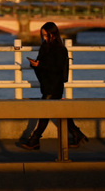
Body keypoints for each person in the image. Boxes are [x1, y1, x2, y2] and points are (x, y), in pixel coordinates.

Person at [18, 22, 87, 150]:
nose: (44, 38)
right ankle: (77, 134)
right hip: (46, 84)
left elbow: (57, 69)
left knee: (45, 113)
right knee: (60, 112)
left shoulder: (60, 49)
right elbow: (43, 64)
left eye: (46, 35)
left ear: (53, 34)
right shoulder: (44, 47)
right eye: (42, 35)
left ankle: (34, 140)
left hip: (55, 85)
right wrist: (35, 64)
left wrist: (40, 65)